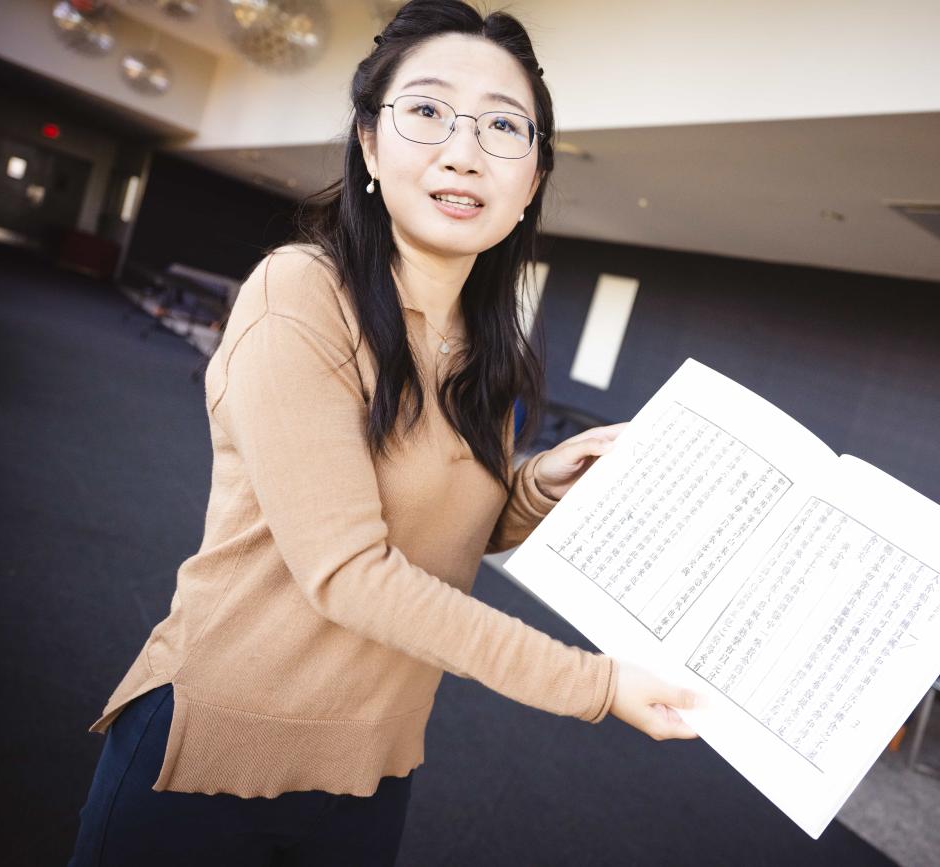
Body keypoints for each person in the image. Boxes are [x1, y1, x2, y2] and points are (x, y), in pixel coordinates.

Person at [68, 2, 697, 864]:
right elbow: (350, 570)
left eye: (503, 127)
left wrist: (536, 485)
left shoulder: (485, 346)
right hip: (209, 755)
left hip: (372, 770)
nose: (464, 151)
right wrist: (597, 684)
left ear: (534, 179)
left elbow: (439, 520)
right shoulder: (301, 293)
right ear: (370, 143)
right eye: (429, 111)